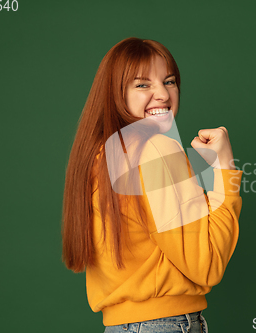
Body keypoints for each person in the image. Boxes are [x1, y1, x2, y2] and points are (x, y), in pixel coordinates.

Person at [61, 37, 243, 333]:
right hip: (166, 325)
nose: (163, 93)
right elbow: (206, 265)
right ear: (115, 93)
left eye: (169, 81)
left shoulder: (99, 156)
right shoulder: (158, 149)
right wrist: (224, 168)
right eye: (143, 85)